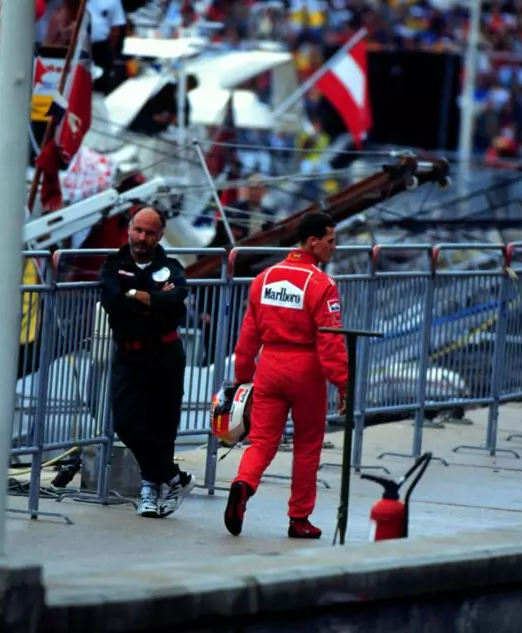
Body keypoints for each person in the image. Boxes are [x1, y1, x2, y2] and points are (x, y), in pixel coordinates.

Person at [224, 211, 348, 539]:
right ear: (313, 242)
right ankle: (299, 519)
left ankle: (243, 484)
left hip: (269, 366)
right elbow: (331, 341)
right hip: (306, 370)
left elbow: (247, 336)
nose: (334, 247)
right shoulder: (322, 284)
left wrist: (242, 376)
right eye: (331, 241)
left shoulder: (264, 278)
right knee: (307, 446)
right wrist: (344, 384)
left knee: (262, 441)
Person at [99, 206, 196, 518]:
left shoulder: (172, 267)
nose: (142, 237)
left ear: (160, 235)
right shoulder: (114, 264)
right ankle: (174, 478)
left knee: (162, 426)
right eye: (138, 230)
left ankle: (150, 491)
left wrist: (137, 296)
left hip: (165, 353)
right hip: (128, 354)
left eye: (149, 232)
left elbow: (175, 299)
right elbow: (112, 300)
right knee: (126, 422)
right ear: (130, 229)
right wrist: (151, 297)